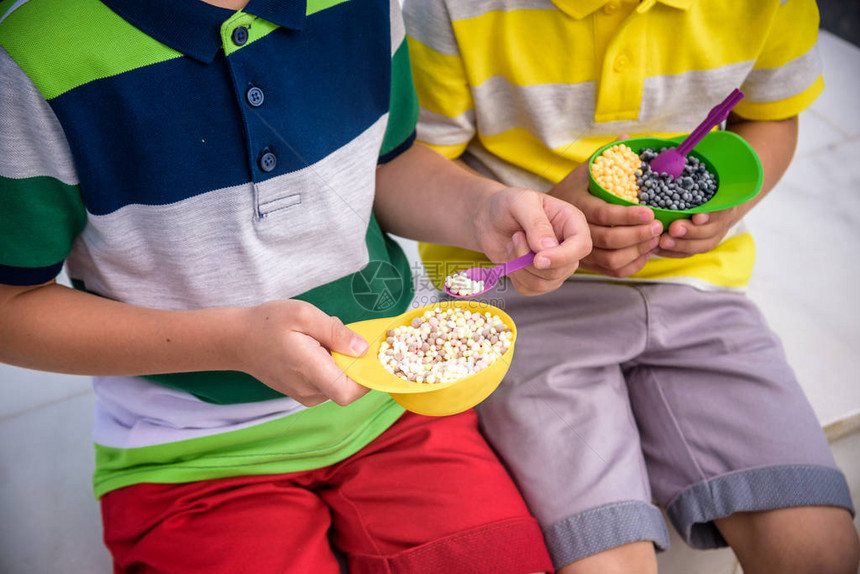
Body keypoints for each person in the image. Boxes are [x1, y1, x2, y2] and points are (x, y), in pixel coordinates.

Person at [0, 0, 593, 572]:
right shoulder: (31, 54)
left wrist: (482, 210)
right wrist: (232, 342)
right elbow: (12, 307)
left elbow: (385, 164)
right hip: (189, 451)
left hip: (395, 406)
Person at [402, 0, 860, 573]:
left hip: (698, 294)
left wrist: (730, 203)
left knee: (821, 548)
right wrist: (525, 219)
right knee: (603, 556)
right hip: (525, 299)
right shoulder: (451, 9)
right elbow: (409, 161)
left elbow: (770, 115)